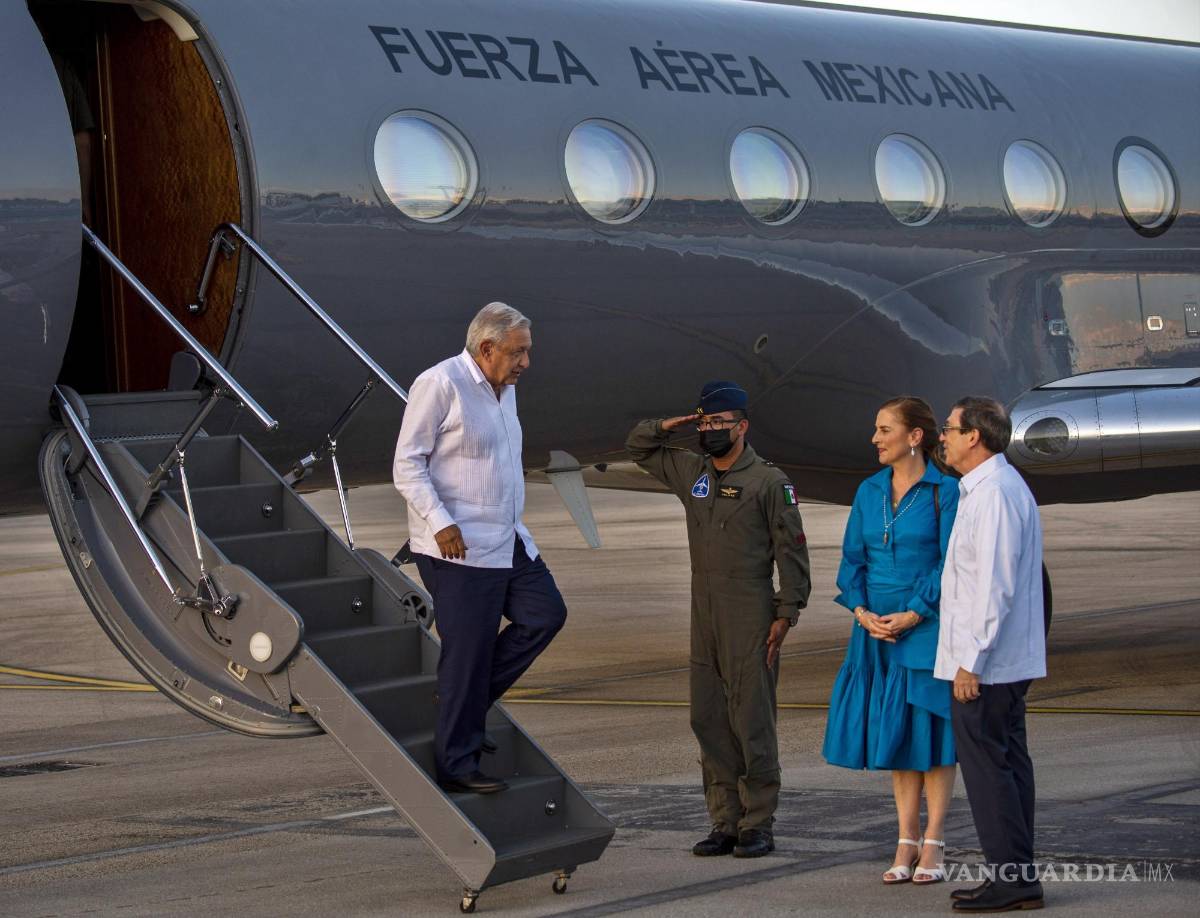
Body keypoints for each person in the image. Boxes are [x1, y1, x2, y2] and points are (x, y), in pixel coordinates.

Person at [625, 382, 811, 858]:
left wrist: (786, 612)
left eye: (718, 423)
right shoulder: (694, 472)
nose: (709, 431)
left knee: (751, 719)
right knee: (706, 717)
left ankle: (758, 822)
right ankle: (724, 821)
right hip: (702, 609)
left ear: (742, 426)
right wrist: (672, 425)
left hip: (750, 610)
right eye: (703, 422)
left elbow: (791, 552)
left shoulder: (770, 482)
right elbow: (638, 445)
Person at [393, 302, 567, 795]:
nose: (526, 363)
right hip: (458, 548)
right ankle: (456, 765)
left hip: (508, 539)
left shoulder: (503, 389)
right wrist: (441, 521)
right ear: (486, 348)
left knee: (545, 615)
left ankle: (460, 706)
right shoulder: (440, 384)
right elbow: (407, 465)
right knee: (466, 656)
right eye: (519, 353)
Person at [822, 397, 960, 885]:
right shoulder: (868, 490)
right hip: (874, 629)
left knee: (933, 736)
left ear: (914, 437)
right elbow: (851, 559)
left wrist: (913, 612)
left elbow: (950, 563)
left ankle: (935, 841)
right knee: (897, 735)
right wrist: (861, 612)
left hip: (924, 624)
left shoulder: (947, 491)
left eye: (885, 430)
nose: (875, 439)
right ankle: (905, 838)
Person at [936, 396, 1047, 912]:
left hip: (987, 665)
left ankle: (1012, 878)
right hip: (998, 662)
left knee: (989, 771)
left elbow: (994, 587)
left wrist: (970, 661)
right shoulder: (987, 489)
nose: (943, 436)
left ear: (974, 436)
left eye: (950, 428)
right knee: (1006, 764)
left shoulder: (995, 494)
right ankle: (1016, 874)